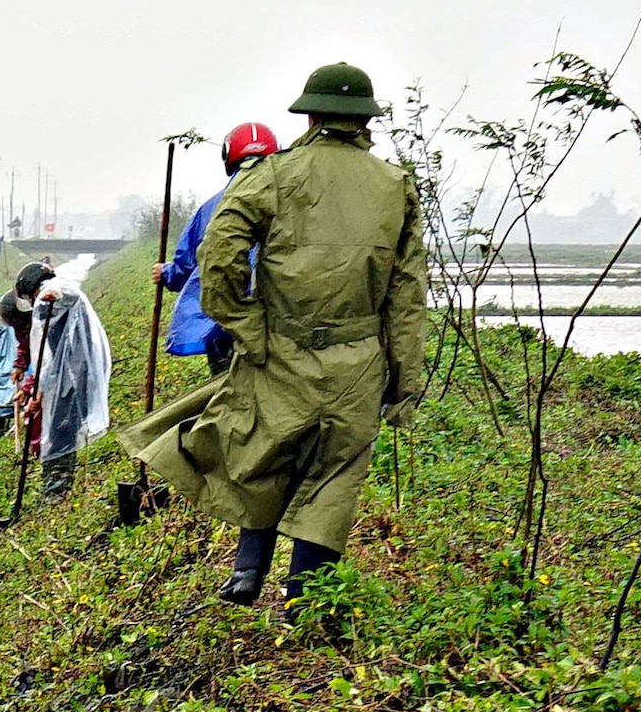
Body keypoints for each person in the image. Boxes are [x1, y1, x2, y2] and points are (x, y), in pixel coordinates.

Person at [142, 62, 427, 606]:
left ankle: (248, 573)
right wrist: (402, 380)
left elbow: (216, 255)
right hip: (360, 357)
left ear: (311, 113)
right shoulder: (396, 186)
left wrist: (247, 325)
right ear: (364, 119)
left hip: (279, 350)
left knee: (264, 453)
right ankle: (305, 599)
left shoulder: (272, 174)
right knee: (335, 477)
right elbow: (407, 293)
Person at [160, 121, 276, 377]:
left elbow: (186, 266)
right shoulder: (296, 202)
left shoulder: (212, 208)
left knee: (227, 394)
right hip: (282, 324)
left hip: (228, 328)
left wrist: (165, 274)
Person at [18, 257, 110, 498]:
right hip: (69, 378)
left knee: (60, 434)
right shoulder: (52, 304)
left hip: (70, 380)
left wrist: (52, 293)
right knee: (60, 432)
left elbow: (68, 293)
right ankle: (56, 488)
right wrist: (38, 393)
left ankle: (56, 492)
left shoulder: (57, 294)